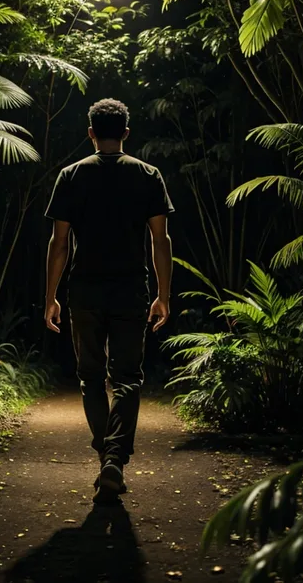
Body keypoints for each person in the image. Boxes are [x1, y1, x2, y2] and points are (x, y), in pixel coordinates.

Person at [44, 98, 174, 503]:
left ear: (91, 133)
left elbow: (59, 243)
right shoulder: (148, 175)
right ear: (126, 133)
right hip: (130, 289)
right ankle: (114, 458)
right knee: (128, 378)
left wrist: (50, 296)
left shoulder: (70, 176)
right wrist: (163, 295)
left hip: (84, 289)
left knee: (90, 378)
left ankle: (107, 458)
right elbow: (160, 239)